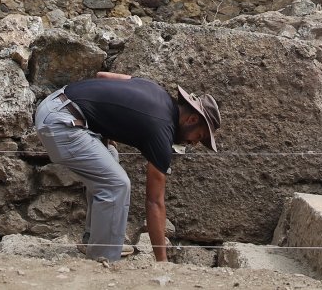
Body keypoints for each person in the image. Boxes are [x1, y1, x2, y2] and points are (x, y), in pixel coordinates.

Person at [33, 71, 220, 263]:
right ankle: (102, 259)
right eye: (200, 136)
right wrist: (163, 263)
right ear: (192, 119)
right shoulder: (162, 131)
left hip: (55, 103)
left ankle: (95, 241)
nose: (195, 143)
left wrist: (106, 130)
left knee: (111, 156)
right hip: (60, 123)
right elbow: (154, 201)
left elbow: (102, 77)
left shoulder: (155, 90)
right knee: (116, 185)